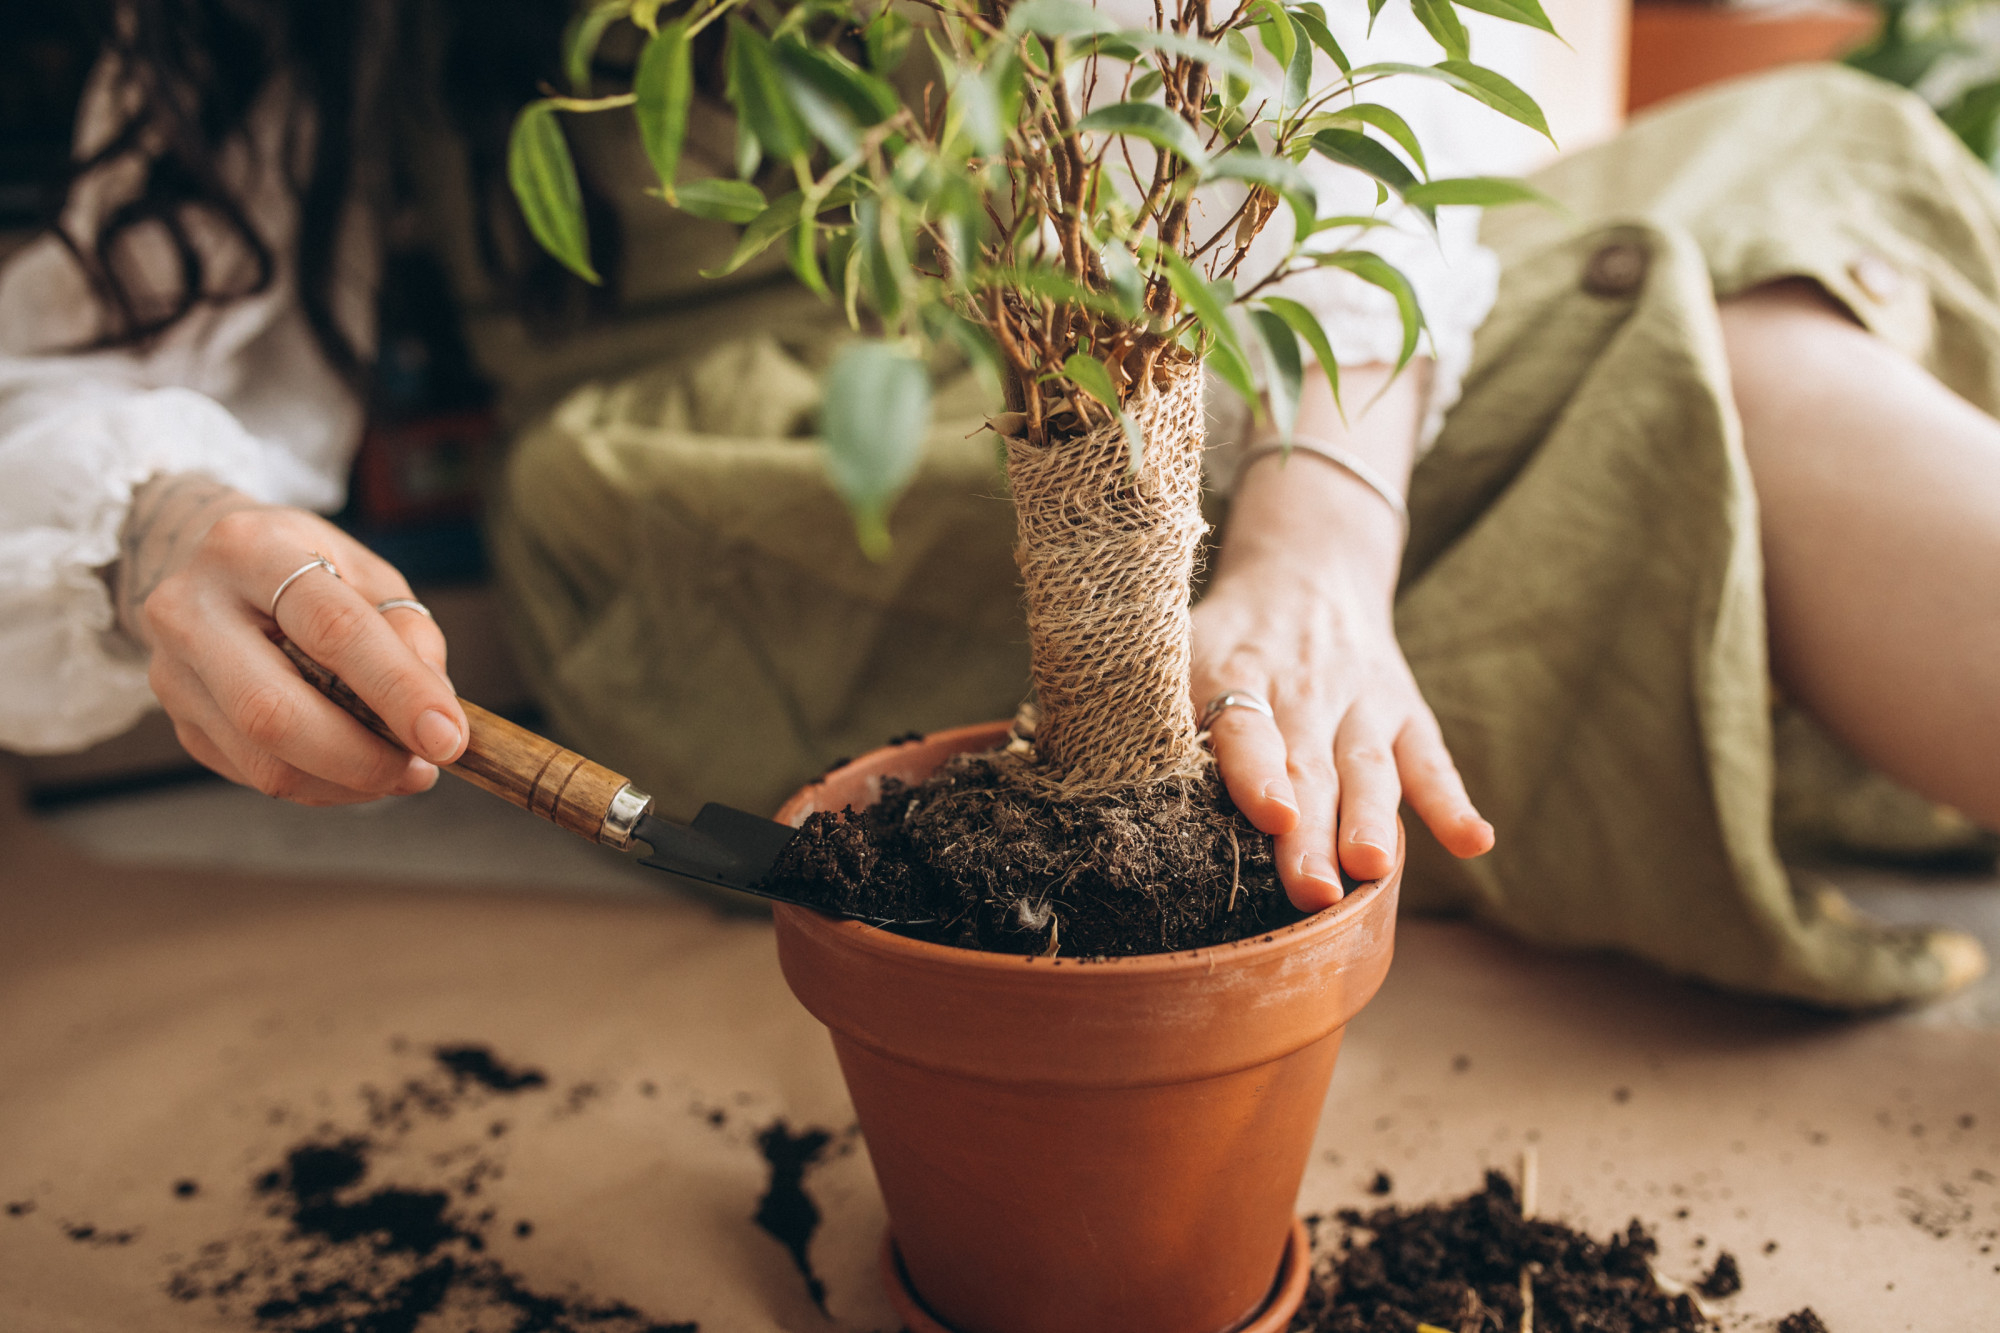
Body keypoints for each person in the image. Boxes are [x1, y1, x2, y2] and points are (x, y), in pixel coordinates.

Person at [3, 3, 1993, 1006]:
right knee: (1707, 367)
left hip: (1141, 321)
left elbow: (1327, 136)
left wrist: (1319, 524)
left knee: (1743, 200)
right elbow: (80, 366)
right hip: (756, 488)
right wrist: (160, 527)